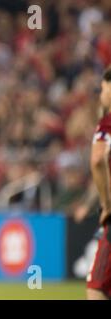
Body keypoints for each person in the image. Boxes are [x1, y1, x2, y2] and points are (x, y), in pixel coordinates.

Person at [87, 66, 111, 300]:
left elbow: (97, 160)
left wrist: (107, 204)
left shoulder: (107, 123)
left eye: (103, 88)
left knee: (97, 288)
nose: (101, 93)